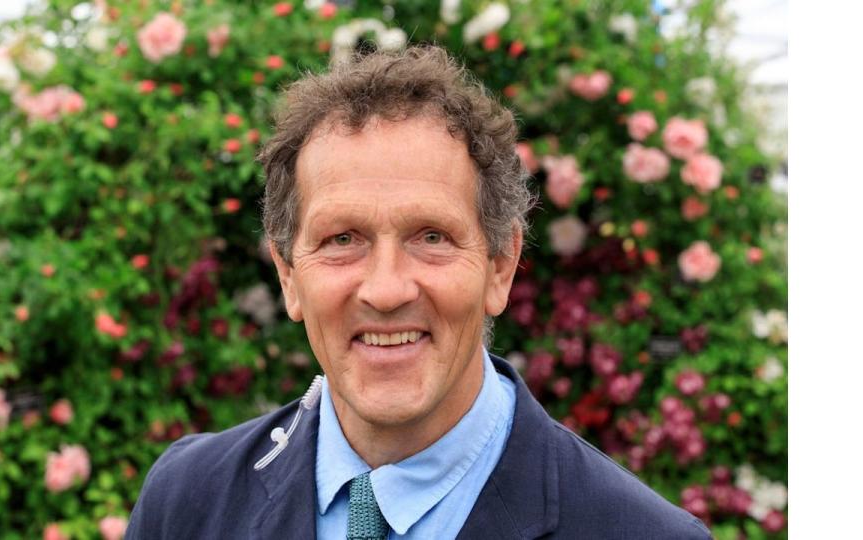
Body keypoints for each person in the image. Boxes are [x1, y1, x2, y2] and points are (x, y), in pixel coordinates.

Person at [125, 45, 710, 540]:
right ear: (287, 275)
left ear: (501, 265)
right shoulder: (185, 503)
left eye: (431, 236)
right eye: (341, 239)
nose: (385, 290)